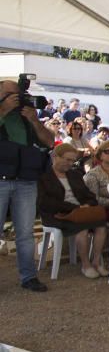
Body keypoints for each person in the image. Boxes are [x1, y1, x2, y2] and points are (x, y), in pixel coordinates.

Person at [0, 77, 56, 291]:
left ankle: (29, 277)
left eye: (20, 94)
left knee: (25, 232)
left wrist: (34, 120)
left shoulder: (26, 116)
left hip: (25, 181)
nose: (18, 99)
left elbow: (50, 141)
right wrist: (3, 111)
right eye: (12, 94)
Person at [38, 143, 109, 278]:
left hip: (80, 212)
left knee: (101, 226)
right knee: (81, 228)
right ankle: (85, 265)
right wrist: (74, 208)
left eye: (73, 160)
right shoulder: (43, 177)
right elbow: (45, 203)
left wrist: (87, 205)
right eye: (67, 159)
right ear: (55, 157)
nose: (70, 163)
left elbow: (89, 196)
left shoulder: (75, 175)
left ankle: (96, 262)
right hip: (57, 214)